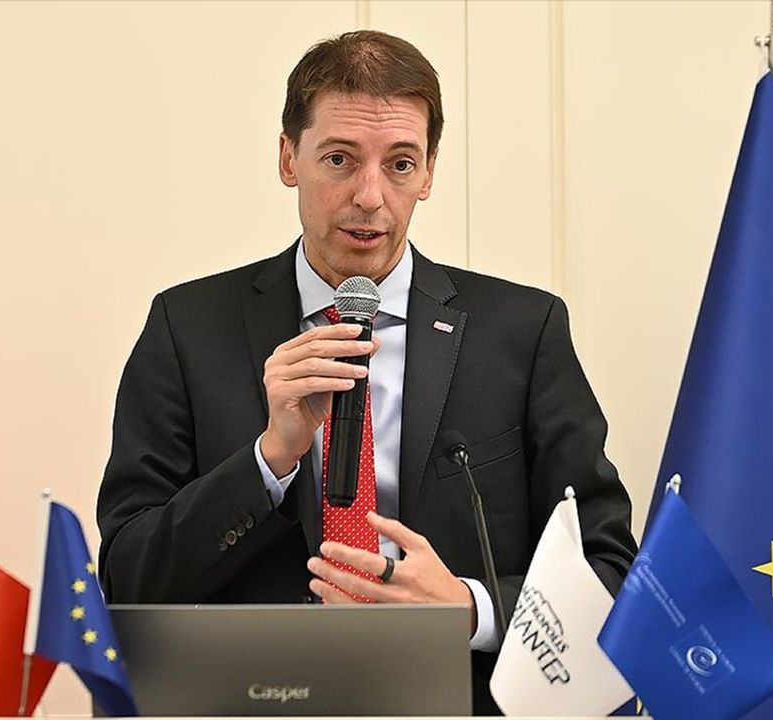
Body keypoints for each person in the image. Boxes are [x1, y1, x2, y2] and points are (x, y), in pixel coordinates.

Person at [96, 30, 636, 714]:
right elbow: (126, 579)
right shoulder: (187, 327)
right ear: (288, 158)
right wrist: (269, 461)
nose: (370, 196)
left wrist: (468, 607)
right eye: (340, 159)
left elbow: (609, 571)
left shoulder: (523, 332)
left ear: (429, 172)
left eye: (400, 164)